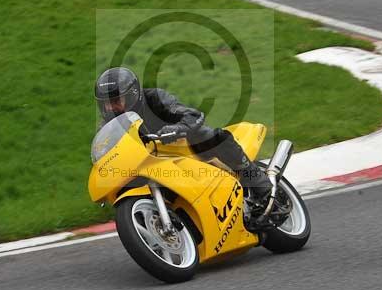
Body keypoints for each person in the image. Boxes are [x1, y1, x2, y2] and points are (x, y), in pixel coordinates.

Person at [94, 67, 273, 202]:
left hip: (183, 146)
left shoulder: (155, 98)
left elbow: (191, 114)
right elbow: (106, 150)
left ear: (133, 95)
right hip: (152, 162)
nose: (110, 108)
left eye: (116, 101)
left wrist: (176, 128)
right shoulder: (108, 126)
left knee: (214, 137)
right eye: (106, 104)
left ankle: (256, 178)